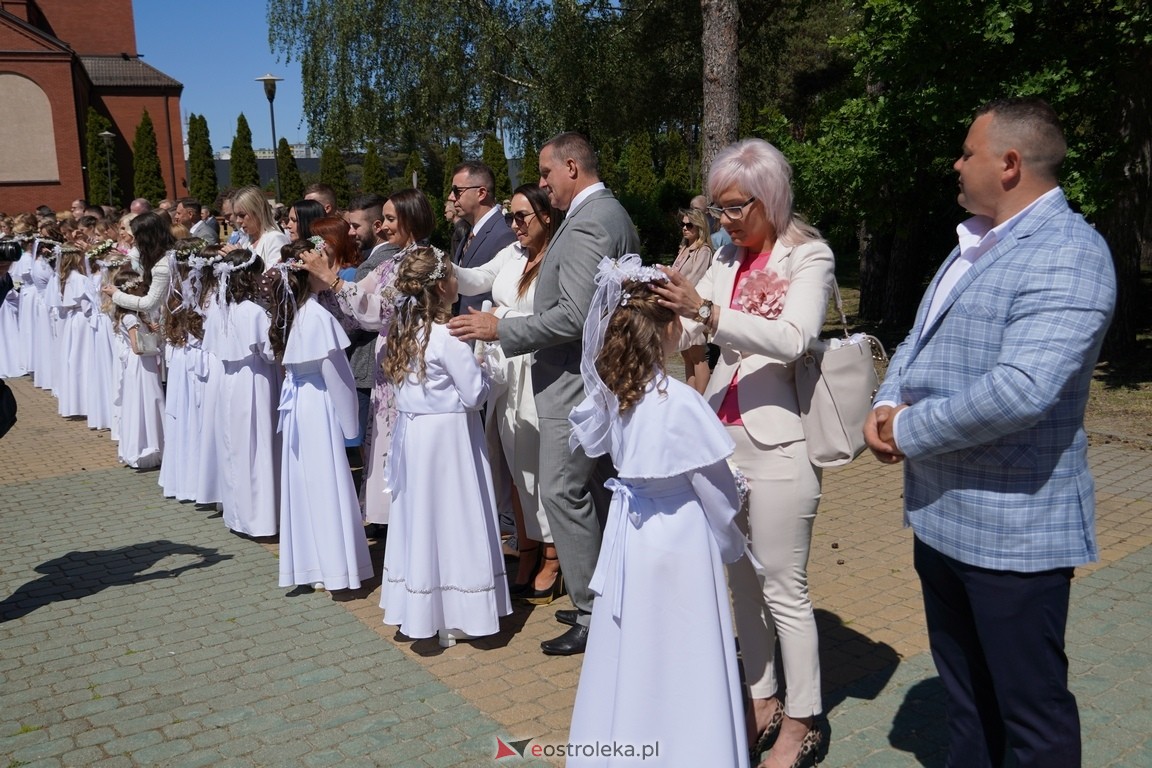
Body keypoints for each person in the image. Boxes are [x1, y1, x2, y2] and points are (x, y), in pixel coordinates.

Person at [864, 97, 1116, 768]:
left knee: (1030, 716)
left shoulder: (1070, 252)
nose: (956, 162)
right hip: (942, 519)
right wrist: (886, 400)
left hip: (1015, 536)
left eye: (967, 151)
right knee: (967, 702)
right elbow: (918, 340)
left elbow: (1020, 390)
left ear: (1008, 163)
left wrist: (908, 428)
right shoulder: (971, 243)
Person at [654, 138, 834, 767]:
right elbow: (697, 336)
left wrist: (704, 306)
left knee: (785, 587)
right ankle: (762, 696)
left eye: (734, 208)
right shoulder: (726, 256)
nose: (723, 222)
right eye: (718, 210)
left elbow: (793, 338)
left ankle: (804, 718)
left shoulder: (808, 255)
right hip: (719, 439)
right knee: (739, 581)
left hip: (780, 442)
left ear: (771, 198)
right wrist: (666, 311)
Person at [449, 131, 640, 656]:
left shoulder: (591, 221)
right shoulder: (605, 215)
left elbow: (576, 316)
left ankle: (592, 611)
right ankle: (604, 595)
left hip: (573, 381)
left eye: (544, 173)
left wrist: (501, 330)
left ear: (572, 167)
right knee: (592, 489)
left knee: (562, 491)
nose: (540, 183)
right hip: (586, 376)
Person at [567, 261, 748, 768]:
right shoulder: (680, 402)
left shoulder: (614, 398)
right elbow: (713, 487)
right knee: (684, 647)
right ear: (667, 330)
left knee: (635, 645)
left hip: (631, 535)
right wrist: (733, 525)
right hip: (679, 536)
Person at [378, 246, 511, 647]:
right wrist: (488, 366)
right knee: (455, 517)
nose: (459, 282)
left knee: (422, 519)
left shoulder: (406, 333)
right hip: (451, 442)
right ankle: (458, 613)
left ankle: (420, 608)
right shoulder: (449, 336)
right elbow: (473, 394)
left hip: (416, 438)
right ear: (441, 286)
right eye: (453, 275)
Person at [299, 189, 434, 529]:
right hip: (387, 365)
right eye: (384, 219)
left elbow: (383, 310)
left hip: (412, 363)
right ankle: (396, 525)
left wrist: (332, 279)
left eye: (390, 219)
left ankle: (414, 523)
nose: (383, 227)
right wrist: (316, 286)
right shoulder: (390, 263)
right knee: (385, 443)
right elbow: (351, 316)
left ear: (412, 219)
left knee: (406, 447)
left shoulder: (426, 259)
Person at [455, 183, 562, 600]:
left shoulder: (557, 254)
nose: (514, 225)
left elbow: (555, 315)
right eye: (511, 217)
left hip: (540, 367)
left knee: (539, 465)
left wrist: (502, 317)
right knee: (514, 466)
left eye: (522, 217)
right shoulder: (513, 253)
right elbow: (474, 278)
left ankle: (554, 554)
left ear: (546, 216)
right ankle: (528, 544)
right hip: (504, 370)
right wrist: (435, 266)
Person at [271, 241, 373, 593]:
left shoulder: (290, 311)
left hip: (299, 402)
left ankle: (310, 563)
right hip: (318, 404)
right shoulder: (317, 316)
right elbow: (339, 377)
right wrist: (351, 425)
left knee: (304, 483)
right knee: (325, 480)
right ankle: (333, 567)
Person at [210, 247, 282, 538]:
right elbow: (267, 353)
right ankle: (260, 517)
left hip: (228, 382)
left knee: (234, 447)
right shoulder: (255, 312)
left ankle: (238, 514)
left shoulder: (220, 309)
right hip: (255, 381)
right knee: (257, 446)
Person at [448, 161, 516, 316]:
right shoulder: (471, 232)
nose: (451, 197)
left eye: (457, 190)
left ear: (481, 193)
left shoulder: (504, 234)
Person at [112, 269, 165, 469]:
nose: (144, 291)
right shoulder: (131, 318)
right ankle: (148, 447)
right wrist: (157, 348)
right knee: (149, 401)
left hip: (141, 365)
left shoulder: (134, 316)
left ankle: (146, 445)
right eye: (141, 288)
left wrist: (150, 330)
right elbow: (137, 347)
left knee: (142, 402)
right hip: (142, 365)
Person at [671, 206, 715, 393]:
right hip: (680, 308)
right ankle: (691, 394)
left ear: (699, 227)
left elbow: (695, 279)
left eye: (690, 225)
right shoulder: (684, 249)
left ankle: (701, 399)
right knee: (687, 356)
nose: (685, 228)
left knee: (697, 356)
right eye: (683, 224)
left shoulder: (703, 251)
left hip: (693, 309)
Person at [103, 212, 174, 318]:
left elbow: (149, 304)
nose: (135, 240)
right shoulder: (168, 253)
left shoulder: (162, 267)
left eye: (136, 236)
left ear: (146, 237)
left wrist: (116, 294)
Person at [223, 186, 290, 267]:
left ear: (258, 212)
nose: (238, 221)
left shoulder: (275, 238)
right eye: (236, 216)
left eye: (242, 215)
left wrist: (239, 258)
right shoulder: (246, 241)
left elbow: (275, 276)